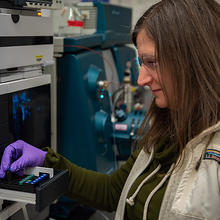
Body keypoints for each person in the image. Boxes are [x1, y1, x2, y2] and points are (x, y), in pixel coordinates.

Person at [0, 0, 220, 219]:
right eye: (141, 63)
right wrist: (46, 162)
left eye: (152, 62)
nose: (141, 79)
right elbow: (113, 191)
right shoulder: (170, 126)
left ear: (194, 59)